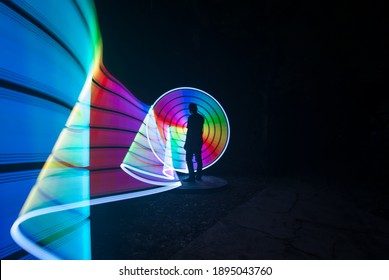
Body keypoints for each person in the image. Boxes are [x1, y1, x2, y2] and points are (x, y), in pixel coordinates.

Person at [183, 103, 204, 182]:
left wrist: (186, 143)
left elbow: (190, 131)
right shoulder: (201, 118)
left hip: (191, 141)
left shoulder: (191, 118)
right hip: (198, 141)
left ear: (190, 109)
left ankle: (191, 176)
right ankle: (199, 176)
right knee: (198, 159)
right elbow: (200, 130)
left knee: (189, 158)